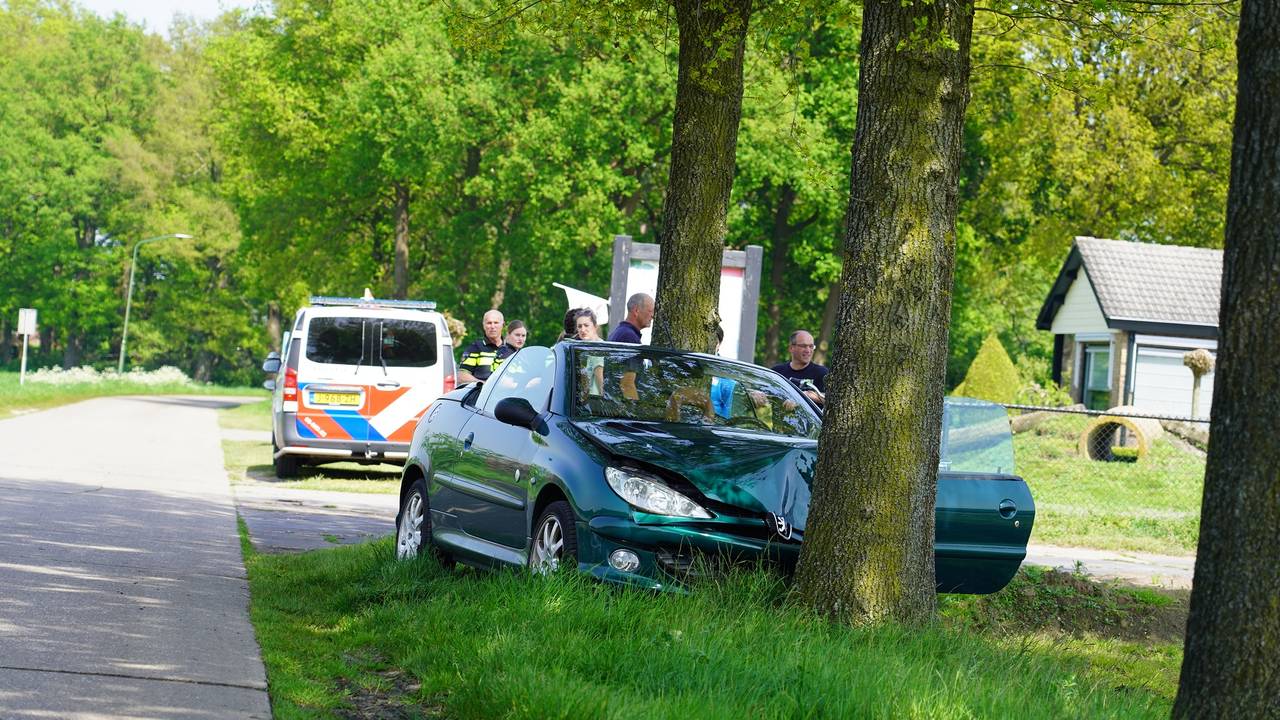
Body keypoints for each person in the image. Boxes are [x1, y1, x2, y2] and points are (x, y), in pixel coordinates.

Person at [771, 330, 828, 406]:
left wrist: (809, 395)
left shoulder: (822, 373)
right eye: (803, 346)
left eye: (811, 346)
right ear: (791, 348)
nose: (808, 350)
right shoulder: (777, 372)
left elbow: (834, 400)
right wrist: (757, 394)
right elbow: (765, 392)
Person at [457, 309, 509, 383]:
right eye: (489, 323)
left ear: (503, 325)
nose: (492, 326)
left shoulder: (510, 349)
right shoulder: (475, 348)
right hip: (482, 390)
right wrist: (482, 384)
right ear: (484, 325)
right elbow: (461, 375)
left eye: (496, 323)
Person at [574, 309, 606, 396]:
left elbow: (599, 377)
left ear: (595, 326)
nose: (582, 329)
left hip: (595, 400)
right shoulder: (587, 347)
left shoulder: (597, 347)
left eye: (586, 325)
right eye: (579, 326)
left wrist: (603, 398)